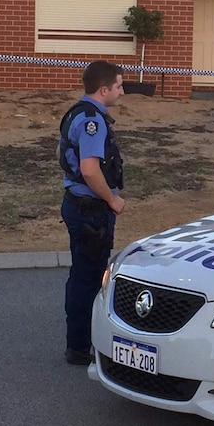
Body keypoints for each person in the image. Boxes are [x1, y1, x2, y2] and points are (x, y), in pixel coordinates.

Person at [58, 60, 125, 366]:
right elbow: (89, 169)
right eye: (119, 86)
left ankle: (79, 342)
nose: (121, 92)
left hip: (77, 204)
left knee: (81, 274)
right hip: (91, 211)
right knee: (89, 278)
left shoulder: (76, 112)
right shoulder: (92, 121)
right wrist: (112, 199)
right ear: (104, 89)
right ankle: (82, 347)